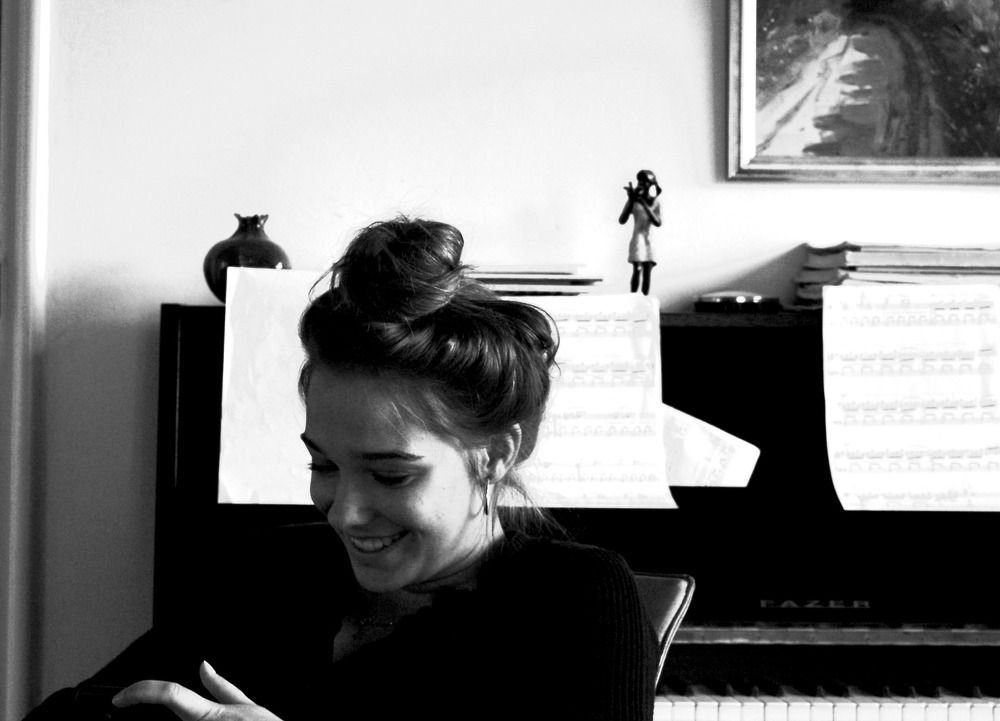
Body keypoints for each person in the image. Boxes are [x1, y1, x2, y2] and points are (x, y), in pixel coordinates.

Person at [24, 217, 658, 721]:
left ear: (495, 455)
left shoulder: (577, 599)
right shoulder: (269, 570)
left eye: (390, 475)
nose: (345, 513)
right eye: (322, 463)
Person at [618, 170, 663, 296]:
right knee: (637, 269)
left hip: (649, 240)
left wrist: (643, 203)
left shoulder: (655, 202)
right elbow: (622, 220)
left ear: (651, 184)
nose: (641, 184)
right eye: (640, 181)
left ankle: (645, 299)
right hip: (638, 238)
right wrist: (631, 200)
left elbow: (657, 222)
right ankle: (633, 297)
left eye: (644, 182)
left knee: (647, 271)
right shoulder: (634, 201)